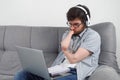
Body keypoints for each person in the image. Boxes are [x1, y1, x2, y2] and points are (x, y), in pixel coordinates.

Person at [14, 4, 101, 80]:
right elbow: (69, 34)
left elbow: (74, 59)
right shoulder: (67, 33)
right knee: (22, 74)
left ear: (86, 22)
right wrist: (71, 32)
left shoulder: (93, 36)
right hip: (59, 69)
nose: (72, 27)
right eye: (70, 24)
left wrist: (65, 50)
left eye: (76, 24)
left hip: (76, 72)